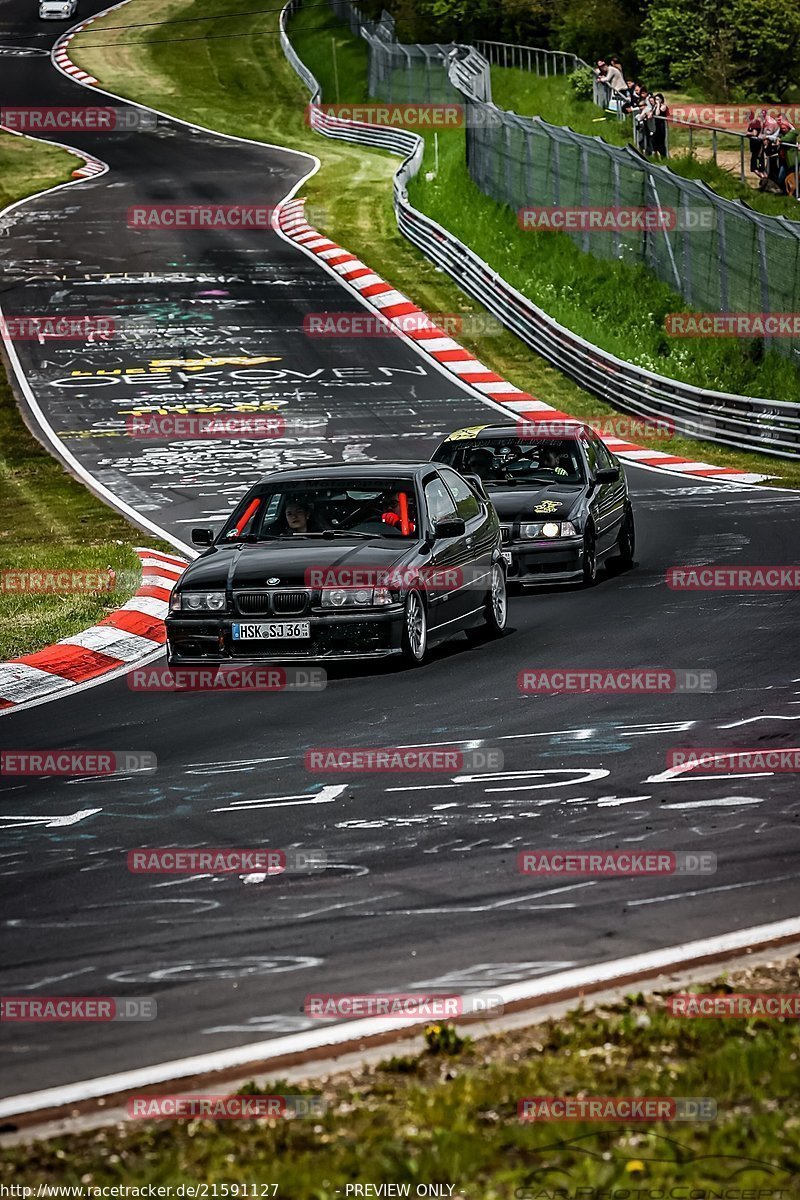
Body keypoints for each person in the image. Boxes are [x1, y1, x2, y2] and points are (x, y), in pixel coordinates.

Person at [746, 110, 765, 176]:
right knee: (755, 163)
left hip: (757, 145)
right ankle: (763, 176)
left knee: (757, 164)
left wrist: (747, 133)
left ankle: (763, 177)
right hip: (754, 145)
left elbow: (754, 133)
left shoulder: (755, 123)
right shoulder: (752, 123)